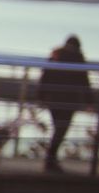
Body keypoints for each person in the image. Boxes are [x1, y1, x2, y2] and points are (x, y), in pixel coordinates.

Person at [38, 35, 93, 174]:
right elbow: (84, 81)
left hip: (53, 100)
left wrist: (41, 97)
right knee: (61, 129)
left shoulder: (55, 56)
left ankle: (51, 159)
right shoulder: (79, 58)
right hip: (70, 101)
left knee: (57, 128)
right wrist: (89, 101)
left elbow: (44, 77)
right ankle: (51, 159)